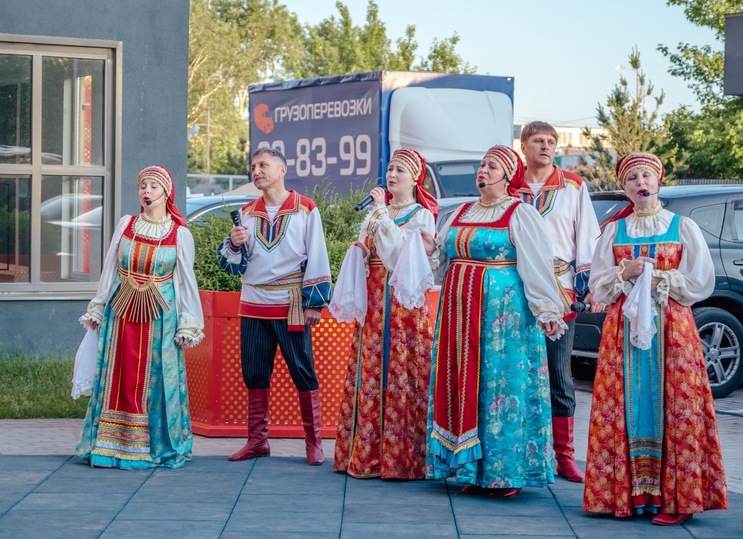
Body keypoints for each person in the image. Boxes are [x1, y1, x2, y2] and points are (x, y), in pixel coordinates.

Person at [583, 152, 728, 525]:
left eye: (646, 175)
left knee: (675, 403)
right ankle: (627, 494)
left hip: (672, 327)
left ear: (659, 181)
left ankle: (678, 499)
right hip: (623, 328)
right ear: (625, 187)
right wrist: (625, 272)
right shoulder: (614, 231)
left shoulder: (682, 226)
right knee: (625, 402)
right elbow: (598, 285)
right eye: (632, 178)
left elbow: (700, 280)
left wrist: (660, 277)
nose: (640, 182)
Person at [423, 145, 566, 498]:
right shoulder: (460, 212)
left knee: (501, 387)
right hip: (458, 314)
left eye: (492, 166)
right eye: (482, 165)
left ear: (508, 176)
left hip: (503, 317)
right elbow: (443, 261)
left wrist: (547, 309)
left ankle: (506, 473)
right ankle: (470, 468)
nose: (483, 170)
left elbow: (536, 263)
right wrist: (430, 250)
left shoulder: (520, 214)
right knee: (463, 383)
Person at [76, 165, 204, 469]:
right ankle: (110, 445)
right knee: (118, 376)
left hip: (160, 318)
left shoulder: (179, 234)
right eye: (143, 186)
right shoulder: (126, 225)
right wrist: (98, 305)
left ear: (166, 192)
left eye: (153, 186)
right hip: (121, 314)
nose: (147, 191)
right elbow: (110, 268)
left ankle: (154, 445)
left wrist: (188, 322)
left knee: (156, 380)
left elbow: (186, 281)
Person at [218, 147, 332, 466]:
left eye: (263, 165)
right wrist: (234, 244)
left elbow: (318, 254)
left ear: (282, 169)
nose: (256, 171)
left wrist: (315, 303)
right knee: (254, 372)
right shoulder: (246, 212)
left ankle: (314, 442)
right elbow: (232, 266)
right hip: (253, 303)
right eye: (253, 166)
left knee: (303, 371)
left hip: (290, 302)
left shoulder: (305, 208)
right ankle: (257, 441)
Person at [331, 148, 439, 480]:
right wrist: (360, 252)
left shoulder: (421, 215)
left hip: (402, 304)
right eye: (390, 169)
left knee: (400, 368)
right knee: (371, 366)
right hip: (375, 298)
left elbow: (400, 258)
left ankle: (401, 458)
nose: (392, 175)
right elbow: (372, 249)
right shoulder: (379, 213)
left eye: (400, 170)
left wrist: (379, 213)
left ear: (415, 178)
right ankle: (367, 453)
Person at [515, 121, 604, 483]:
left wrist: (589, 285)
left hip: (559, 288)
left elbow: (587, 237)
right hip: (516, 288)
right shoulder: (510, 185)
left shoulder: (573, 186)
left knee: (559, 373)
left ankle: (564, 456)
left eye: (551, 141)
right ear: (524, 146)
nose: (546, 146)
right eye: (538, 140)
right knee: (516, 372)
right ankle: (519, 453)